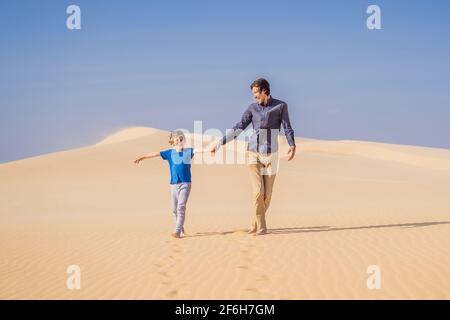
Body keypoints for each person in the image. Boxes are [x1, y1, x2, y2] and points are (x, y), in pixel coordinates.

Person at [210, 78, 296, 236]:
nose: (254, 96)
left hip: (272, 154)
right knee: (258, 192)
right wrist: (220, 142)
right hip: (253, 153)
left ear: (264, 91)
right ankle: (262, 227)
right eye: (253, 93)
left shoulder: (281, 106)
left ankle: (255, 222)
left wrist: (292, 145)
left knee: (267, 195)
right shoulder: (252, 108)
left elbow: (287, 127)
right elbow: (239, 127)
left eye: (256, 92)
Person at [134, 130, 209, 238]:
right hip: (173, 184)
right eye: (176, 138)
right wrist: (142, 157)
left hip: (185, 184)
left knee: (181, 207)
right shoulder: (169, 153)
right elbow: (155, 153)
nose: (179, 140)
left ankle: (177, 231)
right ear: (173, 142)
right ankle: (181, 229)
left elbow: (200, 150)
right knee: (174, 210)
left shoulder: (189, 151)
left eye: (181, 138)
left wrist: (210, 149)